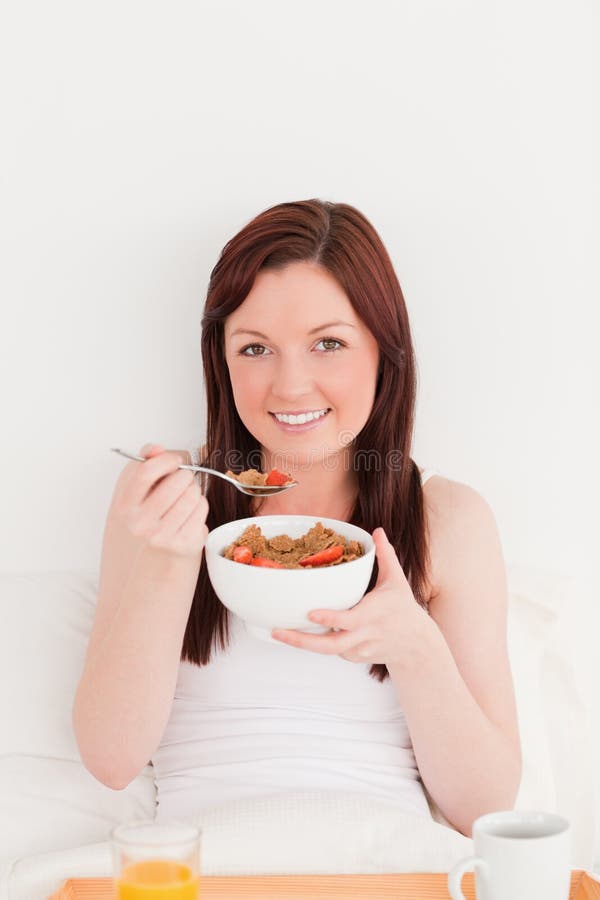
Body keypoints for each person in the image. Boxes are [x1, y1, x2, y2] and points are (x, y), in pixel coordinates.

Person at [72, 199, 522, 839]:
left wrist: (416, 649)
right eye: (255, 348)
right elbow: (111, 761)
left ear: (384, 353)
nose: (289, 387)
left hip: (385, 873)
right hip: (204, 872)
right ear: (221, 362)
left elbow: (487, 810)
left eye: (328, 344)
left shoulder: (447, 518)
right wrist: (168, 563)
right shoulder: (166, 495)